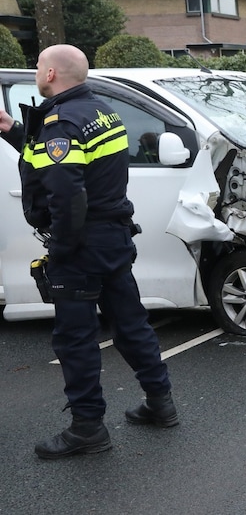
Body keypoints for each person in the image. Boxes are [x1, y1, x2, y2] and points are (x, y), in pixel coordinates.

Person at [0, 44, 176, 460]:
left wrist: (61, 249)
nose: (38, 73)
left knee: (75, 340)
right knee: (131, 324)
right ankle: (160, 402)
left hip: (81, 245)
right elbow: (61, 160)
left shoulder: (61, 122)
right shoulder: (98, 110)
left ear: (50, 75)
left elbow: (67, 194)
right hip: (112, 238)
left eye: (40, 67)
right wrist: (13, 131)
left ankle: (87, 429)